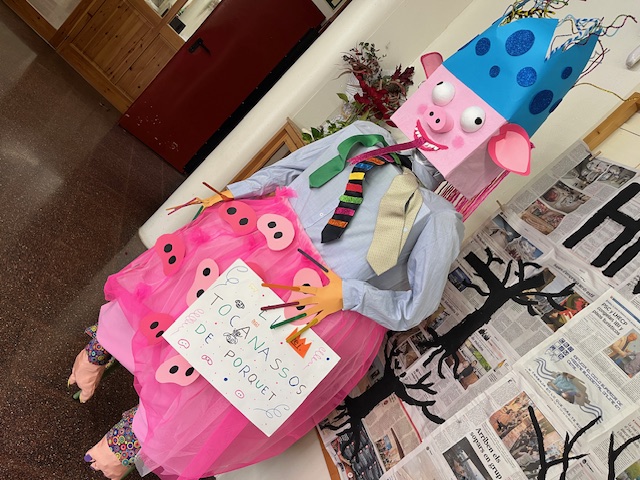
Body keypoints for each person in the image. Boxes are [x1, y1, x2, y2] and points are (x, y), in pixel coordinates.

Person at [71, 120, 464, 479]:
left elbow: (417, 305)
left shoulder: (439, 218)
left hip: (313, 296)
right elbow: (291, 169)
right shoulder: (363, 136)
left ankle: (132, 437)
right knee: (172, 300)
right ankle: (100, 351)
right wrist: (236, 193)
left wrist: (350, 293)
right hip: (261, 237)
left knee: (219, 369)